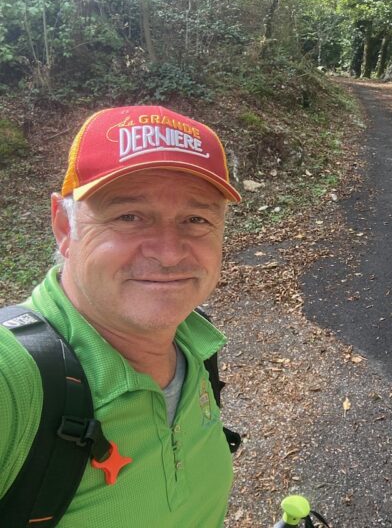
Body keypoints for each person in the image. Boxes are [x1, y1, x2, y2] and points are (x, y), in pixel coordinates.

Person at [0, 105, 242, 526]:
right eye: (129, 216)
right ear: (63, 225)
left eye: (196, 218)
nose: (169, 252)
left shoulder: (193, 339)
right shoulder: (13, 380)